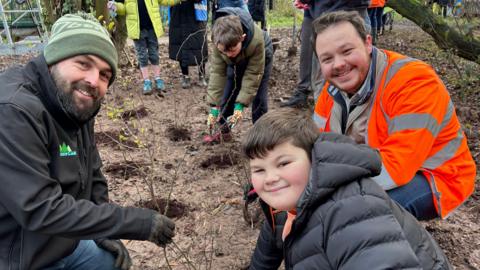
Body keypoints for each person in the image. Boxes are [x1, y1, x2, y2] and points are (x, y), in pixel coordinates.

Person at [0, 13, 176, 270]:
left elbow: (93, 174)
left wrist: (105, 233)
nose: (94, 81)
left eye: (105, 75)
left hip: (56, 240)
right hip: (15, 254)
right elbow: (39, 209)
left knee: (109, 261)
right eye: (83, 64)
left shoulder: (74, 102)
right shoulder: (14, 110)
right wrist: (133, 222)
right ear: (54, 59)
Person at [312, 11, 476, 220]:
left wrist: (330, 191)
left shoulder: (414, 81)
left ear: (368, 43)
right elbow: (316, 146)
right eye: (327, 58)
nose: (338, 64)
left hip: (435, 175)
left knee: (357, 214)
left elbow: (397, 168)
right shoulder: (331, 90)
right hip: (370, 168)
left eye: (346, 51)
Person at [243, 108, 452, 270]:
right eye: (259, 170)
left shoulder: (352, 208)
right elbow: (262, 262)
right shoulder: (281, 207)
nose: (270, 178)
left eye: (284, 163)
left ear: (313, 159)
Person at [280, 0, 370, 108]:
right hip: (321, 13)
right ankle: (324, 114)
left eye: (347, 51)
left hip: (344, 13)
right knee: (322, 80)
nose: (338, 64)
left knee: (351, 78)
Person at [204, 7, 273, 144]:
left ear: (242, 38)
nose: (228, 54)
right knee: (229, 92)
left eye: (232, 50)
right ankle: (224, 131)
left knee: (259, 99)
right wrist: (214, 106)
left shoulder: (256, 40)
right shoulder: (220, 39)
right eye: (224, 52)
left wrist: (240, 105)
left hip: (260, 60)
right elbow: (218, 72)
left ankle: (261, 137)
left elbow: (253, 74)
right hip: (236, 61)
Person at [109, 0, 180, 95]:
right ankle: (147, 81)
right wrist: (116, 6)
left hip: (151, 29)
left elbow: (165, 1)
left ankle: (158, 78)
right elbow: (124, 9)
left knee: (154, 54)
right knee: (142, 56)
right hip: (137, 31)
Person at [168, 0, 208, 89]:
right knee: (181, 45)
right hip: (178, 15)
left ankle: (202, 75)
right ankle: (185, 76)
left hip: (196, 15)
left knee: (200, 46)